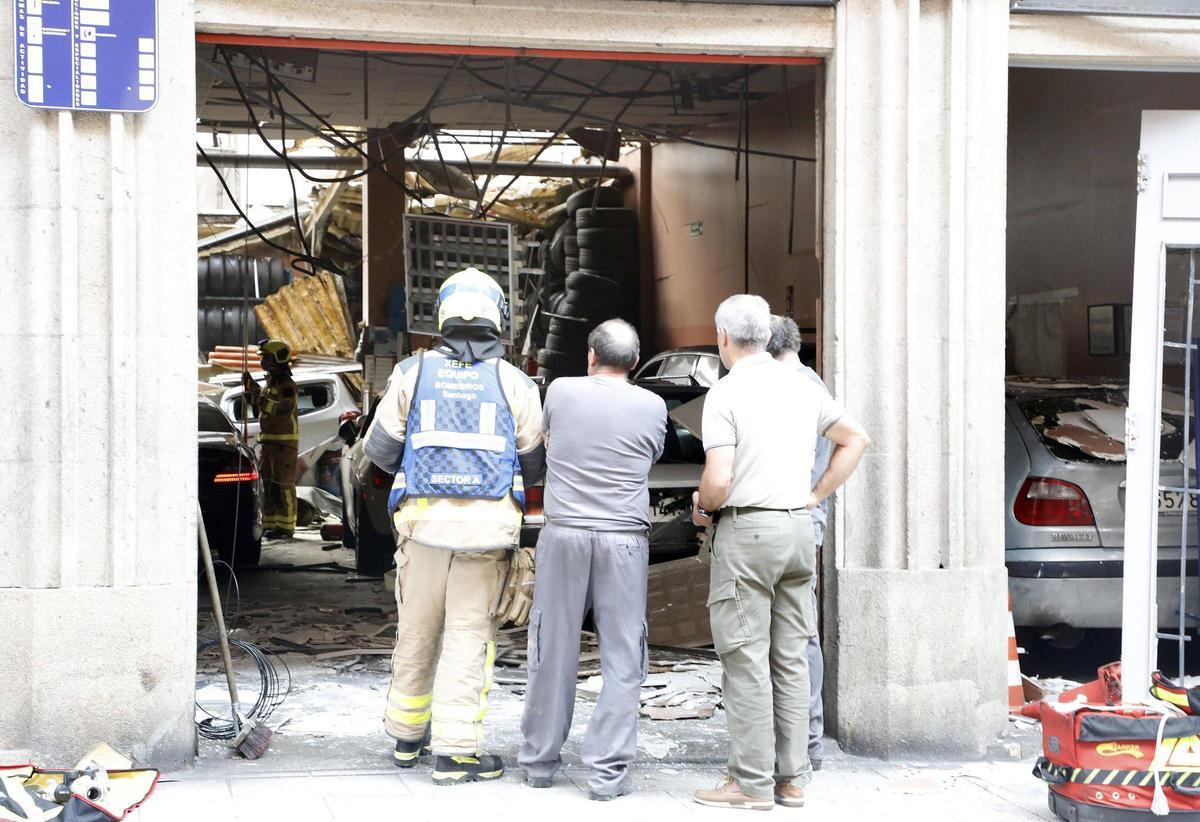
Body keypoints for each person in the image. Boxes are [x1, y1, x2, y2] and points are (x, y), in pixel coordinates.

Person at [361, 267, 546, 785]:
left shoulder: (412, 373)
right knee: (468, 637)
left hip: (420, 531)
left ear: (441, 314)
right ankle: (457, 752)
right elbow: (534, 463)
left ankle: (406, 738)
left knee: (417, 630)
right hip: (486, 537)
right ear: (497, 316)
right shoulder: (514, 382)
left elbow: (380, 453)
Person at [690, 295, 870, 810]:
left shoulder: (725, 394)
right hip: (796, 531)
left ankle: (749, 783)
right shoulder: (803, 386)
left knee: (745, 660)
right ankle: (792, 780)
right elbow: (856, 438)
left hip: (749, 536)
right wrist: (815, 494)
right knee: (790, 658)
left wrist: (703, 504)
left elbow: (719, 483)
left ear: (723, 337)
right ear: (766, 338)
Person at [519, 319, 667, 802]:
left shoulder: (560, 391)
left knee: (552, 644)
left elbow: (546, 444)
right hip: (624, 539)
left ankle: (540, 762)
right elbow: (652, 455)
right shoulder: (653, 405)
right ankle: (607, 774)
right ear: (636, 361)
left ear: (590, 355)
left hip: (564, 537)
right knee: (624, 656)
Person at [766, 315, 831, 772]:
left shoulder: (795, 391)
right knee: (797, 633)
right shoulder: (815, 387)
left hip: (789, 521)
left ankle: (803, 741)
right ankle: (804, 740)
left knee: (793, 635)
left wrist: (812, 498)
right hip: (804, 522)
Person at [242, 339, 299, 539]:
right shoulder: (271, 383)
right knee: (267, 484)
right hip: (269, 442)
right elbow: (264, 406)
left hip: (284, 444)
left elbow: (280, 408)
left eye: (266, 357)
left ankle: (285, 527)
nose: (262, 361)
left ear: (277, 359)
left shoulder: (286, 385)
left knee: (282, 486)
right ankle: (269, 523)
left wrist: (257, 399)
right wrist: (252, 389)